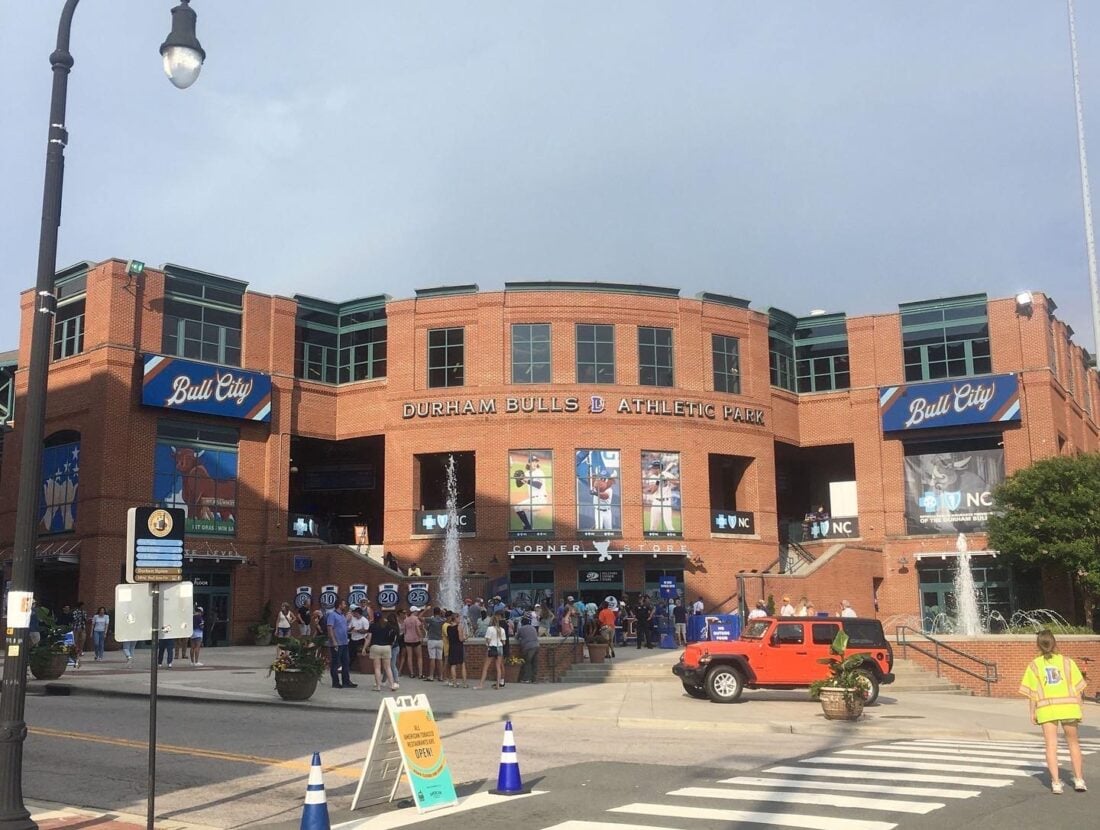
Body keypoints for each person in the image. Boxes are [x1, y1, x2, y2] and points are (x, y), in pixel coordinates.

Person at [1019, 630, 1088, 793]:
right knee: (1073, 743)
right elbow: (1078, 688)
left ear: (1038, 645)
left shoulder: (1035, 665)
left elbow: (1032, 693)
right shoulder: (1067, 662)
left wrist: (1032, 712)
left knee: (1051, 745)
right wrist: (1080, 708)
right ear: (1055, 643)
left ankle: (1056, 783)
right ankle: (1079, 780)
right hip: (1069, 706)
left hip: (1046, 708)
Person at [326, 600, 356, 689]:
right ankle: (335, 682)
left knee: (346, 662)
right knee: (335, 663)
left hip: (344, 642)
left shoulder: (342, 616)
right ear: (339, 605)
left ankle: (346, 681)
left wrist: (350, 629)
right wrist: (334, 641)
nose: (345, 605)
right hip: (337, 643)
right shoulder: (332, 615)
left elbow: (343, 628)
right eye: (344, 604)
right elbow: (330, 628)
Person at [366, 612, 399, 692]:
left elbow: (369, 638)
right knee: (388, 667)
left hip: (375, 647)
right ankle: (392, 685)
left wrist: (365, 647)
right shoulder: (387, 625)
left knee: (377, 668)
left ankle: (378, 686)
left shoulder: (372, 626)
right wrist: (391, 643)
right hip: (386, 647)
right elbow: (394, 633)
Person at [645, 458, 678, 533]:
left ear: (657, 469)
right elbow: (652, 491)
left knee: (669, 526)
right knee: (653, 527)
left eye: (653, 468)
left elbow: (678, 483)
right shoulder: (652, 477)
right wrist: (658, 481)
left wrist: (667, 478)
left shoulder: (667, 474)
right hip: (656, 502)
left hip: (666, 502)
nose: (652, 470)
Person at [476, 614, 506, 689]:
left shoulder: (490, 629)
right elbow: (504, 642)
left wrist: (488, 645)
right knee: (498, 667)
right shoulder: (502, 629)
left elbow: (488, 640)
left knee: (485, 667)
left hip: (492, 648)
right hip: (500, 647)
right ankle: (498, 685)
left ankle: (481, 684)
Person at [445, 610, 468, 687]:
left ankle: (454, 683)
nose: (460, 620)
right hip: (459, 647)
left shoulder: (448, 627)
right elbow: (461, 639)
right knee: (462, 664)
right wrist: (465, 637)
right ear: (455, 618)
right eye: (459, 618)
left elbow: (449, 637)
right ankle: (464, 684)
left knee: (453, 665)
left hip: (452, 647)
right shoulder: (459, 627)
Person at [425, 606, 446, 682]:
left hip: (431, 640)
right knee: (440, 659)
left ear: (433, 612)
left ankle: (431, 676)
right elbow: (448, 618)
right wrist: (443, 613)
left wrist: (425, 610)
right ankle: (440, 676)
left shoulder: (431, 620)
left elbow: (419, 617)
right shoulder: (442, 620)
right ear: (439, 612)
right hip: (440, 641)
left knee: (432, 659)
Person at [402, 606, 424, 679]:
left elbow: (404, 631)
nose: (417, 612)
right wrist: (421, 637)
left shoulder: (406, 620)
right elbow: (418, 629)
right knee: (419, 657)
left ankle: (411, 673)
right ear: (414, 612)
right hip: (416, 639)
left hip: (407, 639)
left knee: (409, 657)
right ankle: (420, 674)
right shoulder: (416, 619)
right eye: (417, 611)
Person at [517, 617, 540, 682]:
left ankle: (526, 678)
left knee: (527, 662)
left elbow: (517, 637)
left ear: (522, 623)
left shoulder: (521, 629)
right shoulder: (533, 628)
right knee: (535, 663)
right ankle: (534, 679)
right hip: (537, 645)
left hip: (528, 647)